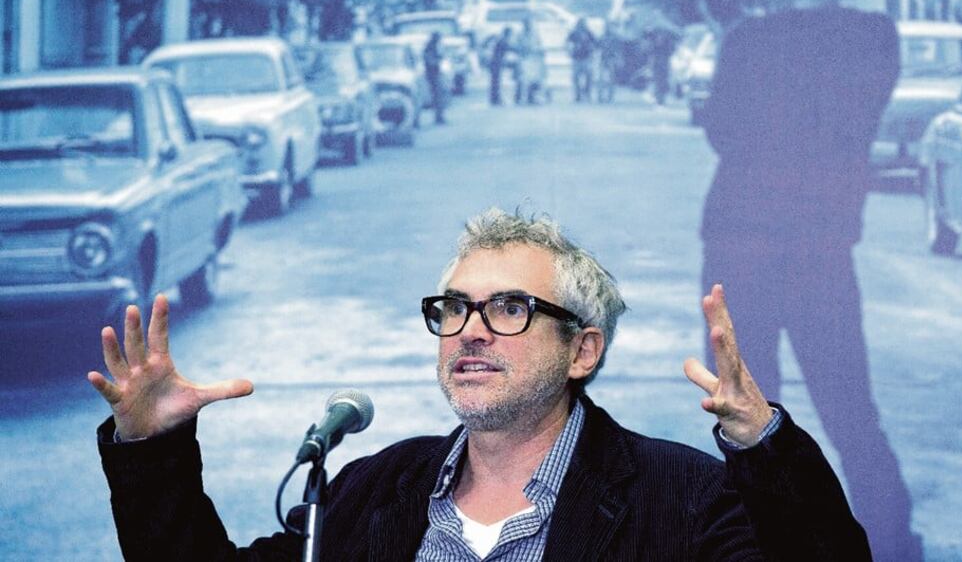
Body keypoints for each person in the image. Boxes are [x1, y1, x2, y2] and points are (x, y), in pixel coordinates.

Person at [90, 208, 871, 560]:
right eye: (454, 308)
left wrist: (760, 441)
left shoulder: (683, 499)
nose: (468, 329)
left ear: (581, 351)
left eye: (507, 308)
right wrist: (149, 444)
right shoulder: (373, 489)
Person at [698, 0, 922, 561]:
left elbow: (722, 130)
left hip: (740, 244)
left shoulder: (748, 39)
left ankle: (765, 546)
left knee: (747, 411)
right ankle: (894, 545)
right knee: (851, 409)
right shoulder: (876, 37)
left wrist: (734, 37)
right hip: (822, 245)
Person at [566, 18, 597, 102]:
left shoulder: (589, 33)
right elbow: (567, 42)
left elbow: (595, 43)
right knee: (575, 78)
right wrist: (570, 50)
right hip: (576, 58)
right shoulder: (574, 33)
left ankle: (587, 93)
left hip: (586, 58)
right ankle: (578, 94)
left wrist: (592, 50)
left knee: (589, 76)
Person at [423, 31, 446, 124]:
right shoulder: (430, 48)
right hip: (433, 74)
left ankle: (439, 116)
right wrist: (437, 60)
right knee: (437, 96)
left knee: (438, 96)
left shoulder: (432, 47)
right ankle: (438, 117)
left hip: (433, 74)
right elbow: (430, 60)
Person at [488, 27, 512, 106]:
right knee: (496, 82)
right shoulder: (503, 40)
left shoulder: (501, 39)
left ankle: (495, 99)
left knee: (495, 82)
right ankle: (495, 99)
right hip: (496, 63)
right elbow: (510, 48)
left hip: (495, 63)